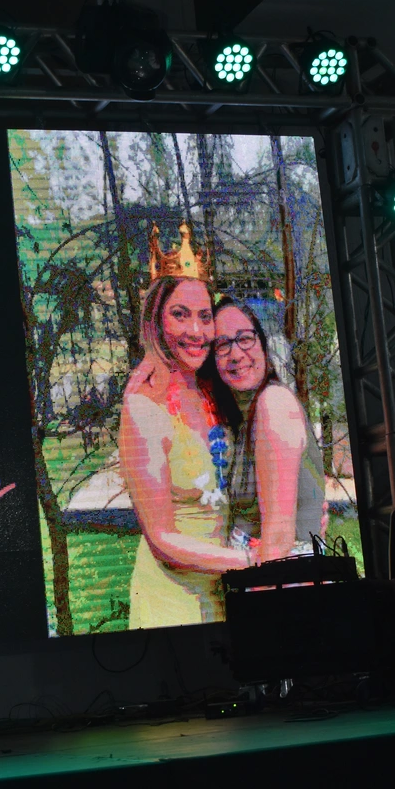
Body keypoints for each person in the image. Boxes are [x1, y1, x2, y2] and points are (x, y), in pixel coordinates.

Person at [119, 228, 249, 630]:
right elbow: (162, 538)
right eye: (180, 314)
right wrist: (250, 561)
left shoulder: (218, 390)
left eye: (204, 316)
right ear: (157, 321)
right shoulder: (143, 408)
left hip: (230, 595)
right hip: (172, 607)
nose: (196, 331)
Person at [207, 297, 326, 561]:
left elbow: (279, 539)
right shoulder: (243, 417)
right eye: (223, 345)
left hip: (282, 576)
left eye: (245, 338)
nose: (236, 354)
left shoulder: (274, 403)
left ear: (262, 344)